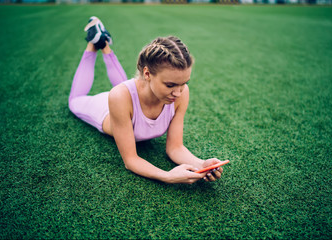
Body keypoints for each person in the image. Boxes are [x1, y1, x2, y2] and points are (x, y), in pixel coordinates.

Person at [69, 16, 227, 184]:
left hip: (130, 97)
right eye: (170, 85)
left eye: (184, 83)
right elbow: (130, 160)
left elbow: (175, 148)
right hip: (103, 109)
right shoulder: (119, 97)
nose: (178, 92)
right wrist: (168, 176)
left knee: (124, 90)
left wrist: (201, 164)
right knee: (75, 101)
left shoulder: (181, 93)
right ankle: (95, 45)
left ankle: (104, 43)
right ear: (147, 73)